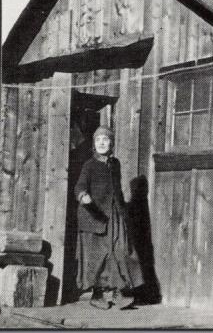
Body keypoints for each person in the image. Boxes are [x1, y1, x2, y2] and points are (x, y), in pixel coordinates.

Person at [75, 126, 143, 309]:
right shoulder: (89, 165)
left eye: (105, 139)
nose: (102, 143)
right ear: (94, 145)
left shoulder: (115, 164)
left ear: (111, 142)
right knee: (98, 256)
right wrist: (83, 195)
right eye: (98, 140)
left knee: (120, 251)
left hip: (114, 214)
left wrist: (123, 210)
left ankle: (119, 292)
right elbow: (80, 185)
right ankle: (97, 295)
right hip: (94, 216)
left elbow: (117, 189)